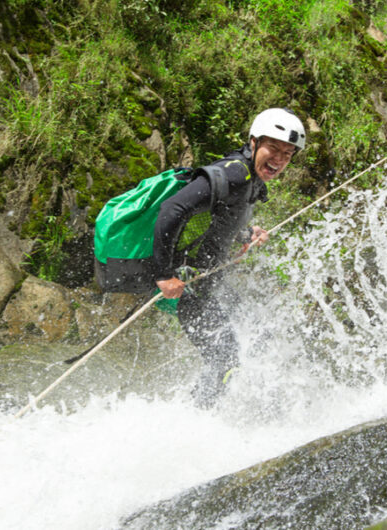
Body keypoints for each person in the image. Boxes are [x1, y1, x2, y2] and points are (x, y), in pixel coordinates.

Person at [95, 108, 306, 408]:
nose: (279, 160)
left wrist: (246, 235)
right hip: (192, 292)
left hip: (208, 286)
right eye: (273, 148)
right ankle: (198, 420)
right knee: (228, 360)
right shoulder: (235, 174)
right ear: (254, 142)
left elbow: (219, 221)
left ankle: (203, 409)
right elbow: (172, 210)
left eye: (288, 153)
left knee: (258, 331)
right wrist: (164, 274)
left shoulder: (251, 179)